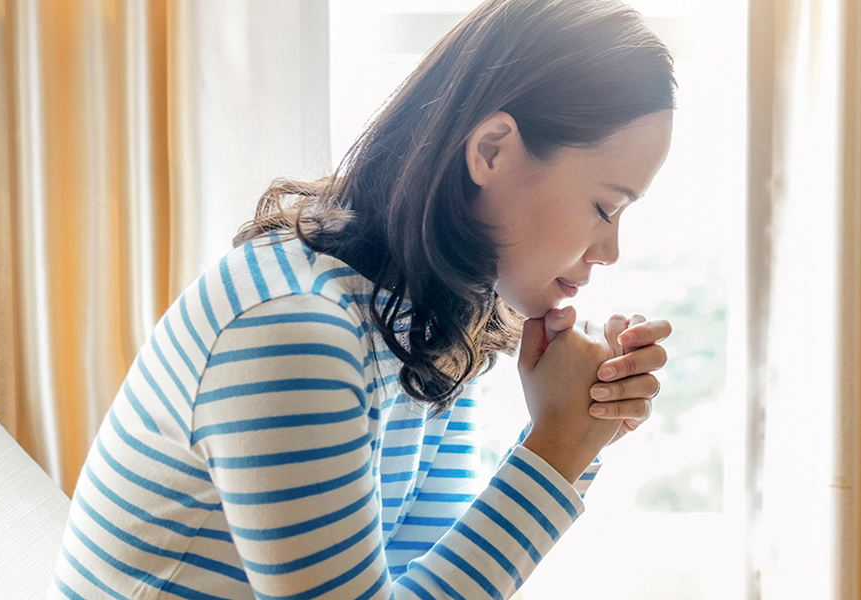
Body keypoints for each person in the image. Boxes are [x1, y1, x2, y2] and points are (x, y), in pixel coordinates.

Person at [49, 0, 676, 598]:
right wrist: (558, 448)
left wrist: (578, 431)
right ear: (491, 150)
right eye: (605, 207)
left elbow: (415, 578)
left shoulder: (423, 318)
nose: (610, 250)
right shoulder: (292, 331)